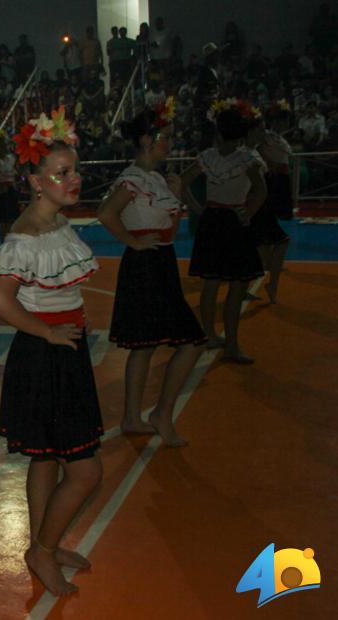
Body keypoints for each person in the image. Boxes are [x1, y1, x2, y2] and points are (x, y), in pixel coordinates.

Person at [0, 109, 102, 597]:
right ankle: (41, 549)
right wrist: (50, 333)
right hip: (46, 358)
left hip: (60, 350)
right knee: (86, 470)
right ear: (36, 181)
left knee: (47, 459)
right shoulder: (26, 236)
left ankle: (46, 547)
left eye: (75, 170)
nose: (73, 180)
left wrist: (68, 320)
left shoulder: (53, 222)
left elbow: (52, 292)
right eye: (61, 173)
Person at [97, 103, 206, 447]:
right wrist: (132, 241)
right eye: (166, 137)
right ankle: (159, 414)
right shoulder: (133, 178)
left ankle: (134, 416)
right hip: (145, 263)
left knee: (146, 345)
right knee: (188, 343)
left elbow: (170, 233)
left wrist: (175, 198)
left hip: (161, 259)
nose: (170, 144)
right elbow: (105, 213)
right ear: (146, 139)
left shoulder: (158, 180)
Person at [182, 100, 267, 364]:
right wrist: (247, 213)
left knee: (211, 283)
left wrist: (198, 210)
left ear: (218, 132)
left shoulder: (207, 157)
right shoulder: (247, 159)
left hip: (212, 220)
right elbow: (261, 191)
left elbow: (182, 182)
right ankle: (231, 344)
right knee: (237, 285)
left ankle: (209, 334)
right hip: (233, 220)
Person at [247, 106, 292, 303]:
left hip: (265, 197)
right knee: (270, 244)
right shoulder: (253, 150)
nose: (262, 132)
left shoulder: (264, 145)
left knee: (265, 246)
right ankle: (266, 283)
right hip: (260, 198)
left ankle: (267, 283)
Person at [0, 137, 20, 241]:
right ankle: (3, 247)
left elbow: (19, 174)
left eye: (5, 144)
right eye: (1, 145)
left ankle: (10, 247)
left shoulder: (13, 159)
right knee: (3, 223)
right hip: (1, 192)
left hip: (11, 191)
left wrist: (18, 182)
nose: (4, 147)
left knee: (12, 223)